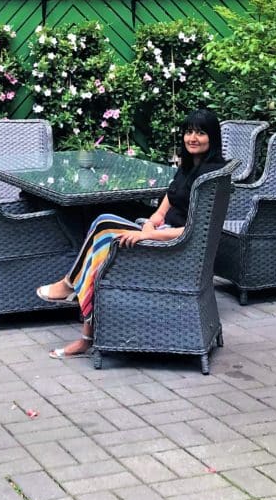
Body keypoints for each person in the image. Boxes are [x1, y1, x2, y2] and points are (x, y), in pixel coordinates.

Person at [36, 108, 226, 358]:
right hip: (162, 233)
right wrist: (153, 220)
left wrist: (148, 235)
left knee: (104, 235)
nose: (193, 138)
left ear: (212, 137)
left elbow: (195, 230)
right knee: (102, 229)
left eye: (200, 133)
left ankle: (72, 289)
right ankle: (76, 300)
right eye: (189, 132)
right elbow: (168, 200)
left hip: (177, 248)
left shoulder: (209, 177)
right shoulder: (189, 166)